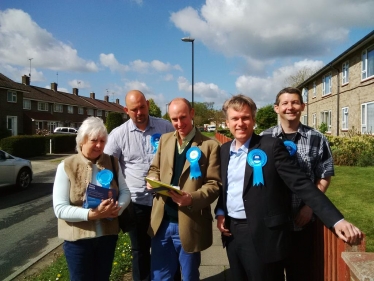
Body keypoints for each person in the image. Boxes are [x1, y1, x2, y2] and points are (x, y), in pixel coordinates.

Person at [215, 94, 361, 281]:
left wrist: (336, 220)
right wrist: (220, 211)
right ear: (227, 123)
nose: (240, 123)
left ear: (253, 120)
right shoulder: (225, 150)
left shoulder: (271, 146)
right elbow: (227, 187)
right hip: (232, 233)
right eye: (235, 118)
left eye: (245, 117)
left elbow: (301, 184)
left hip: (261, 234)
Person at [261, 87, 334, 280]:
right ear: (276, 108)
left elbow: (325, 174)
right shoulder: (263, 138)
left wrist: (310, 207)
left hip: (302, 224)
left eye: (295, 102)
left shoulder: (317, 138)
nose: (290, 107)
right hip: (272, 225)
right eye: (285, 103)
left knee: (300, 274)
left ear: (303, 106)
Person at [147, 98, 221, 281]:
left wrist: (192, 198)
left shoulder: (209, 146)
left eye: (183, 117)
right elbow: (154, 168)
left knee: (189, 276)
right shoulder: (164, 140)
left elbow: (214, 184)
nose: (179, 124)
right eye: (174, 119)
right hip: (161, 223)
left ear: (192, 114)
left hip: (189, 222)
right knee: (160, 276)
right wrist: (153, 179)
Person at [104, 90, 174, 281]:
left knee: (168, 246)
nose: (139, 112)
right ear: (127, 110)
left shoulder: (166, 127)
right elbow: (107, 166)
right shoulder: (118, 135)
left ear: (148, 104)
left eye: (142, 107)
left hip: (164, 201)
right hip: (136, 204)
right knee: (140, 250)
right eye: (134, 109)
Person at [53, 116, 131, 281]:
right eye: (94, 140)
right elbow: (59, 209)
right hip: (78, 242)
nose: (99, 145)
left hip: (107, 239)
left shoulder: (112, 162)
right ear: (81, 141)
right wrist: (91, 214)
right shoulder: (66, 166)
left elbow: (125, 192)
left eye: (103, 141)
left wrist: (118, 208)